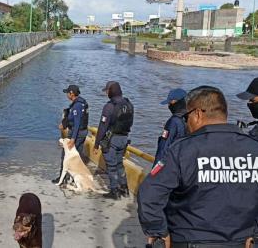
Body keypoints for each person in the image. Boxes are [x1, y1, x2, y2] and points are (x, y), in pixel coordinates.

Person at [138, 86, 258, 247]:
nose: (186, 123)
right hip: (241, 241)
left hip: (189, 240)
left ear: (198, 114)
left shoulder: (182, 149)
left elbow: (149, 193)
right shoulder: (253, 148)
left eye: (187, 117)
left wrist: (158, 230)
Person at [93, 81, 134, 200]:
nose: (106, 93)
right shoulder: (129, 104)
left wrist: (96, 144)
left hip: (112, 139)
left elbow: (102, 127)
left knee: (111, 166)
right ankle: (124, 189)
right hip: (124, 138)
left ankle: (114, 191)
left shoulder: (109, 106)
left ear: (111, 91)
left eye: (107, 91)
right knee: (119, 164)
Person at [52, 85, 89, 184]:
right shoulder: (82, 103)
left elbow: (76, 123)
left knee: (66, 155)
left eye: (67, 93)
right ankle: (74, 178)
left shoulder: (76, 106)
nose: (66, 95)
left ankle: (62, 178)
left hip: (76, 133)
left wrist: (72, 139)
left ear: (71, 93)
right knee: (78, 156)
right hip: (83, 132)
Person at [153, 88, 187, 166]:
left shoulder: (173, 122)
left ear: (178, 103)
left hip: (169, 168)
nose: (169, 106)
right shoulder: (190, 120)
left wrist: (154, 172)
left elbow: (163, 149)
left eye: (170, 102)